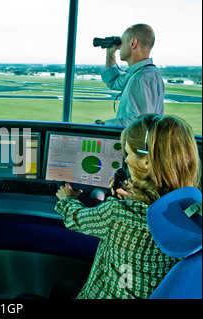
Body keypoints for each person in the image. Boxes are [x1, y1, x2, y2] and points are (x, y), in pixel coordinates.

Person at [55, 113, 201, 298]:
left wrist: (67, 199)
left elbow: (75, 219)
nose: (127, 160)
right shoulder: (194, 216)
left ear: (146, 162)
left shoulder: (118, 214)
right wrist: (138, 196)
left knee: (59, 287)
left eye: (128, 153)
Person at [97, 24, 165, 126]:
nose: (119, 47)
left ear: (133, 43)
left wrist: (102, 125)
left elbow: (137, 122)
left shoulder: (142, 77)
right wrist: (110, 53)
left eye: (121, 42)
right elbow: (113, 81)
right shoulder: (141, 73)